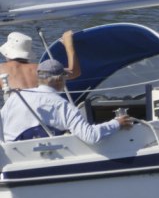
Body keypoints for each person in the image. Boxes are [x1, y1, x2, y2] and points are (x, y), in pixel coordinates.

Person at [2, 59, 131, 143]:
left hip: (10, 156)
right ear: (59, 80)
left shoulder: (15, 97)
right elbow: (90, 136)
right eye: (65, 77)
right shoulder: (63, 106)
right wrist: (117, 123)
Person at [0, 31, 79, 91]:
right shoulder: (41, 69)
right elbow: (75, 72)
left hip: (17, 110)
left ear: (6, 53)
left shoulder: (2, 69)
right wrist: (68, 43)